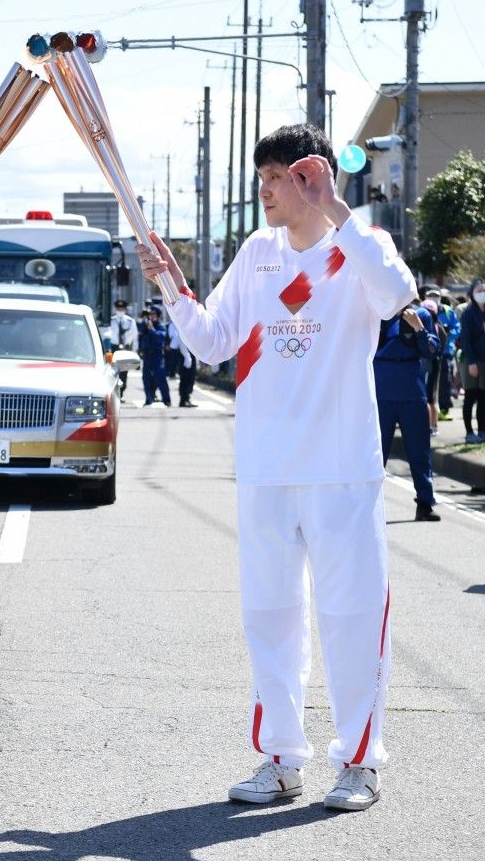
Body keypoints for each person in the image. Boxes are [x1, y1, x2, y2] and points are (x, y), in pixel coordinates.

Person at [139, 123, 415, 812]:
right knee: (270, 615)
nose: (264, 191)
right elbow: (212, 342)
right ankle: (281, 759)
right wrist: (173, 286)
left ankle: (359, 762)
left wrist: (338, 209)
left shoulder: (359, 245)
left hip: (341, 468)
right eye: (260, 178)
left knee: (352, 615)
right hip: (266, 467)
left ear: (309, 176)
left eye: (275, 178)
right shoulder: (257, 254)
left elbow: (396, 295)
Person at [376, 302, 440, 521]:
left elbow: (432, 350)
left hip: (412, 388)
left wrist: (419, 328)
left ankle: (425, 503)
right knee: (376, 452)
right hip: (380, 387)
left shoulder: (421, 314)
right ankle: (369, 506)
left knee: (419, 450)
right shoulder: (375, 311)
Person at [458, 279, 485, 444]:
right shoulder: (468, 313)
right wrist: (471, 362)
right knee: (470, 396)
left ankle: (482, 431)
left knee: (483, 397)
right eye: (479, 290)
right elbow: (466, 340)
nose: (483, 293)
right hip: (471, 360)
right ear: (472, 293)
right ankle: (469, 432)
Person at [137, 305, 171, 407]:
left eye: (153, 314)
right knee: (146, 378)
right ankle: (149, 399)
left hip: (157, 354)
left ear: (158, 315)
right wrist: (145, 321)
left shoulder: (160, 326)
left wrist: (152, 329)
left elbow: (160, 338)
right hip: (147, 355)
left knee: (160, 377)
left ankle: (166, 399)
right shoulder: (146, 325)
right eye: (150, 314)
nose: (151, 316)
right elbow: (140, 330)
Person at [108, 299, 137, 401]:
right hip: (114, 348)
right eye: (118, 309)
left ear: (125, 309)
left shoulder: (130, 321)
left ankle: (122, 392)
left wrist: (135, 351)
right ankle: (113, 392)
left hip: (125, 348)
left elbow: (134, 337)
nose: (120, 310)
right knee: (113, 371)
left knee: (124, 372)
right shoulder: (111, 321)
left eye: (122, 309)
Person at [166, 316, 198, 408]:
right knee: (185, 377)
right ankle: (183, 399)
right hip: (184, 354)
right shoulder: (182, 324)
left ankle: (186, 398)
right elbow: (179, 341)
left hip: (191, 353)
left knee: (191, 377)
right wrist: (187, 356)